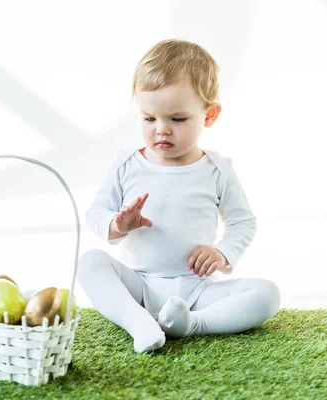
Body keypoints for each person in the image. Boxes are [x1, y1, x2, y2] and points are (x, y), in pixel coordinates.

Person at [77, 39, 280, 353]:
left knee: (267, 293)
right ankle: (138, 322)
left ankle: (191, 324)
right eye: (149, 118)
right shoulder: (127, 164)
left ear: (209, 116)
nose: (161, 130)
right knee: (90, 263)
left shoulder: (217, 169)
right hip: (138, 285)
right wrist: (118, 225)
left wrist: (222, 253)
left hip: (198, 290)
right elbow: (96, 212)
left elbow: (243, 223)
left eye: (177, 119)